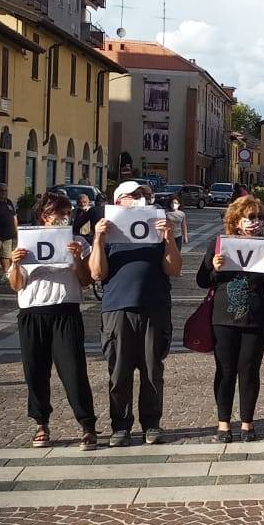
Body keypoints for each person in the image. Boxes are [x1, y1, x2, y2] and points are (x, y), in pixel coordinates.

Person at [89, 181, 181, 446]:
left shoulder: (158, 227)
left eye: (144, 195)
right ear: (118, 202)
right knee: (119, 371)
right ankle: (120, 426)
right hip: (118, 308)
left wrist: (168, 240)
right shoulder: (108, 232)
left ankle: (151, 424)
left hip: (155, 306)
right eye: (133, 196)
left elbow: (174, 269)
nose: (141, 199)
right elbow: (96, 273)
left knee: (153, 370)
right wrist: (98, 239)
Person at [9, 192, 98, 450]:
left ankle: (87, 424)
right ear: (46, 216)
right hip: (32, 312)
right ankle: (41, 423)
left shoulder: (77, 241)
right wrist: (15, 264)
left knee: (74, 371)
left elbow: (86, 280)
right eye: (61, 214)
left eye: (68, 213)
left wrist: (77, 258)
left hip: (65, 311)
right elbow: (16, 285)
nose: (66, 218)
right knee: (35, 372)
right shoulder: (27, 241)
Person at [197, 196, 264, 443]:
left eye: (260, 217)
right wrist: (214, 267)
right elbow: (202, 281)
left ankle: (247, 423)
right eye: (251, 217)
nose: (257, 222)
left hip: (257, 318)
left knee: (249, 370)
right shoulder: (220, 243)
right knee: (225, 371)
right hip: (224, 317)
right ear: (237, 221)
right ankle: (223, 423)